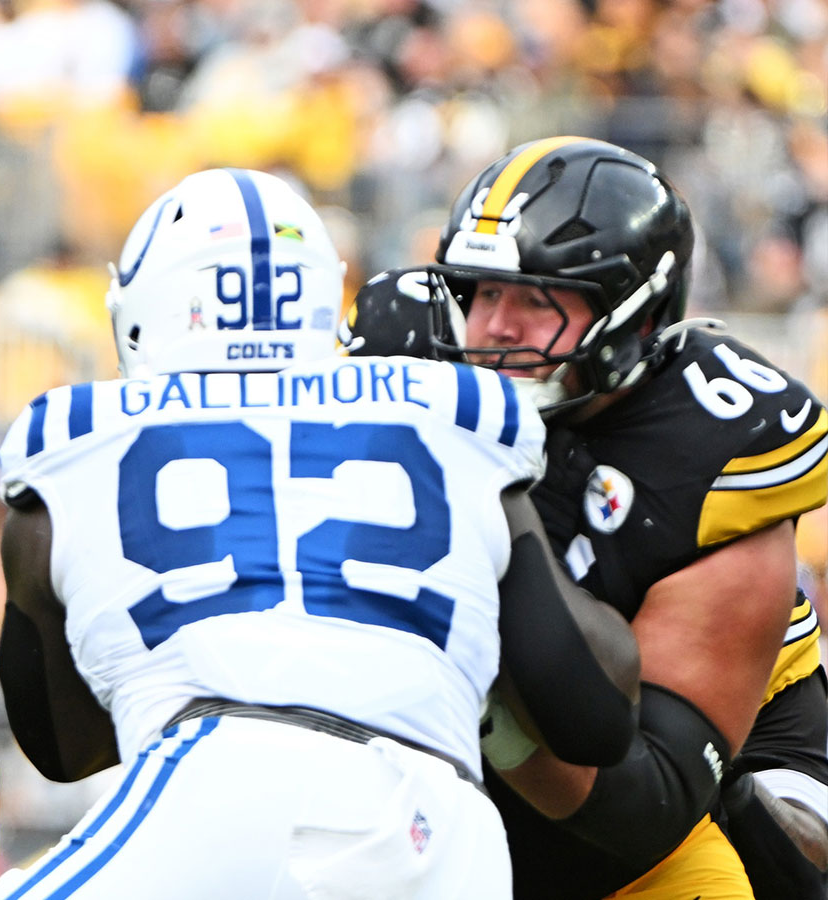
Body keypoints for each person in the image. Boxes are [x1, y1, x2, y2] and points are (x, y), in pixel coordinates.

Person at [0, 167, 641, 899]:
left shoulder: (71, 441)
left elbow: (61, 748)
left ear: (143, 309)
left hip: (218, 788)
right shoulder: (457, 415)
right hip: (446, 830)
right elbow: (593, 713)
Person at [349, 136, 828, 899]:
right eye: (481, 291)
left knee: (785, 865)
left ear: (634, 314)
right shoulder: (409, 359)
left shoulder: (712, 451)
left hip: (704, 767)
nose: (494, 327)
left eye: (537, 300)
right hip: (484, 795)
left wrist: (480, 699)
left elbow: (647, 804)